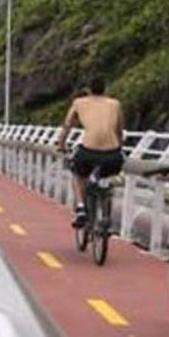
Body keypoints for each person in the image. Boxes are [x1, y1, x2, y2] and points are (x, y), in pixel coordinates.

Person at [57, 76, 125, 228]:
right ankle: (106, 214)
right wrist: (119, 147)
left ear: (88, 90)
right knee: (107, 177)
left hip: (88, 152)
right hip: (112, 154)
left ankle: (81, 208)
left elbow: (67, 126)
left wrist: (61, 144)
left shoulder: (79, 103)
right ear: (105, 89)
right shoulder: (115, 104)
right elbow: (119, 130)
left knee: (78, 174)